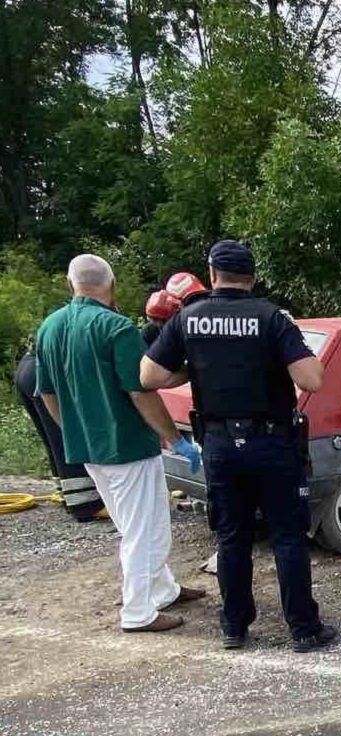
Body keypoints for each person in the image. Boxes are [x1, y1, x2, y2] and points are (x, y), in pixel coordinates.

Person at [141, 240, 336, 653]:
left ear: (212, 274)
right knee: (287, 537)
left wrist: (196, 368)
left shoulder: (187, 319)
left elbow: (150, 376)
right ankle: (304, 629)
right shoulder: (271, 318)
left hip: (220, 445)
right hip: (272, 443)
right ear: (252, 277)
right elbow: (312, 379)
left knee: (232, 538)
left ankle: (234, 627)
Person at [35, 254, 206, 633]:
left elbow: (45, 391)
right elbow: (141, 389)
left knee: (140, 521)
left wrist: (73, 427)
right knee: (142, 528)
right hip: (127, 445)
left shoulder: (49, 327)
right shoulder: (116, 328)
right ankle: (138, 611)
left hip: (88, 448)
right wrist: (175, 439)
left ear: (70, 284)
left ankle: (163, 588)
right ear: (110, 286)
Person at [13, 350, 106, 521]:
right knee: (68, 437)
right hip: (45, 371)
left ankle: (67, 494)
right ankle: (85, 505)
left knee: (53, 439)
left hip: (28, 366)